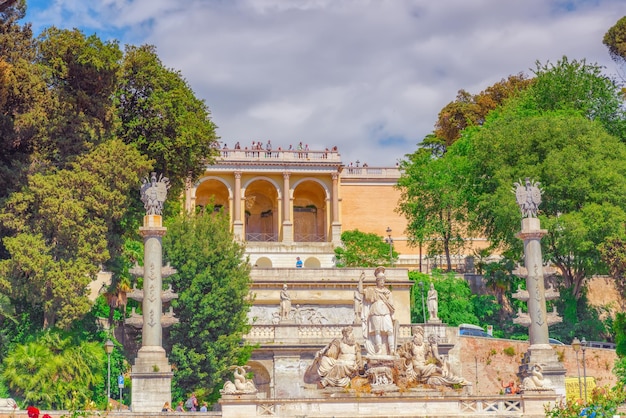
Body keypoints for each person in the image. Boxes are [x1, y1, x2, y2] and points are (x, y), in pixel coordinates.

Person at [398, 326, 469, 387]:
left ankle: (456, 380)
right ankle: (453, 378)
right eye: (415, 334)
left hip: (424, 365)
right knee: (434, 368)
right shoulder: (409, 345)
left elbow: (432, 357)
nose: (415, 336)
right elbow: (399, 352)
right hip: (417, 367)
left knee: (437, 371)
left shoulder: (425, 346)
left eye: (418, 334)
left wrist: (438, 357)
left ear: (421, 336)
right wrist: (405, 354)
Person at [359, 267, 396, 355]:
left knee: (390, 330)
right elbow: (361, 291)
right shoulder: (372, 291)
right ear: (377, 281)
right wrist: (361, 280)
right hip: (375, 311)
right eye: (380, 280)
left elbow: (391, 306)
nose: (382, 282)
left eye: (383, 280)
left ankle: (392, 350)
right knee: (377, 331)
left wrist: (392, 315)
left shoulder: (388, 292)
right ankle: (378, 350)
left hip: (386, 312)